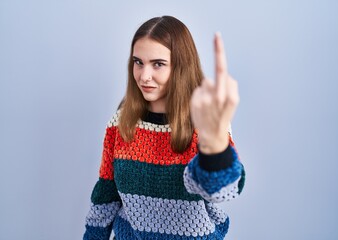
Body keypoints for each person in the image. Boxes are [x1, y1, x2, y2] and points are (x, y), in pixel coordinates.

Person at [83, 15, 245, 240]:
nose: (144, 76)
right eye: (138, 62)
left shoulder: (205, 122)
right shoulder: (120, 123)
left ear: (181, 66)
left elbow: (223, 190)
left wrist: (214, 143)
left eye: (158, 64)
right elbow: (106, 195)